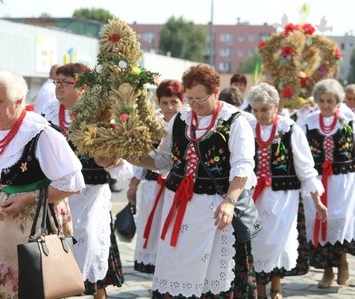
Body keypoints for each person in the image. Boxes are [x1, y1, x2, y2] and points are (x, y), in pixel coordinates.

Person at [129, 64, 258, 298]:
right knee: (175, 270)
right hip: (178, 207)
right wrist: (135, 158)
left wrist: (229, 201)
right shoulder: (181, 118)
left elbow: (243, 166)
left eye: (200, 99)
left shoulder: (235, 121)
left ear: (216, 92)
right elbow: (164, 159)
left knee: (213, 276)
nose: (194, 105)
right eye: (189, 99)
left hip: (215, 211)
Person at [0, 69, 85, 297]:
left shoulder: (40, 133)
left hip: (31, 230)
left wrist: (28, 198)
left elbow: (73, 183)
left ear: (19, 101)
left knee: (27, 286)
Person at [41, 63, 132, 299]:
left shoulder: (101, 116)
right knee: (57, 252)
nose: (59, 87)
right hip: (57, 195)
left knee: (91, 249)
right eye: (57, 82)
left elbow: (125, 167)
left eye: (65, 82)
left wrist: (111, 161)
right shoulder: (47, 114)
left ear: (82, 87)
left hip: (91, 194)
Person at [247, 83, 327, 299]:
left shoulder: (290, 129)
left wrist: (317, 201)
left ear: (276, 106)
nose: (259, 114)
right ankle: (260, 290)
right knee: (255, 240)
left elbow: (306, 169)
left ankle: (276, 287)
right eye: (255, 110)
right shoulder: (246, 127)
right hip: (252, 198)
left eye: (264, 110)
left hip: (283, 197)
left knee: (278, 241)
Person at [297, 78, 355, 289]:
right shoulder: (307, 122)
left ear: (338, 100)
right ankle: (327, 271)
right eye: (322, 100)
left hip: (344, 182)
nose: (326, 105)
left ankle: (342, 263)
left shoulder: (349, 120)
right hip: (318, 182)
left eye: (330, 100)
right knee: (322, 222)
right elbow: (299, 152)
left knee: (341, 222)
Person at [127, 79, 184, 274]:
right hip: (153, 186)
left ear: (182, 102)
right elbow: (144, 157)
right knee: (153, 230)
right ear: (158, 103)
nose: (169, 107)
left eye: (174, 102)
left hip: (179, 188)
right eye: (165, 102)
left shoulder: (187, 124)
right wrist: (133, 185)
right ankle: (157, 275)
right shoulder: (152, 125)